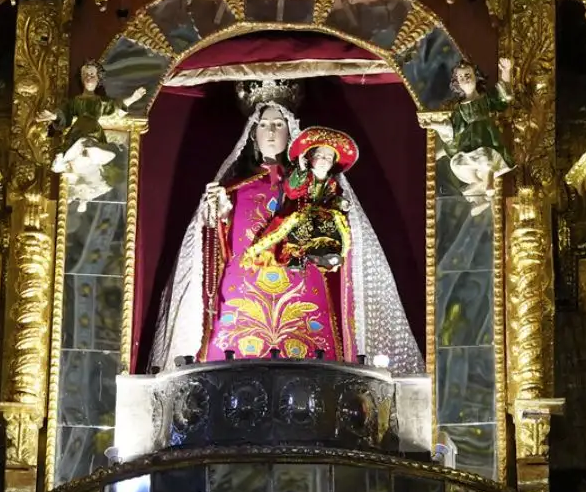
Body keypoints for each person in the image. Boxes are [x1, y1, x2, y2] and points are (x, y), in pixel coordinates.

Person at [147, 82, 422, 371]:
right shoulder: (234, 189)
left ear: (290, 131)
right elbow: (217, 250)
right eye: (263, 124)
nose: (270, 131)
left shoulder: (309, 185)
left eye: (278, 124)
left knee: (314, 364)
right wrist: (218, 215)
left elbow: (339, 234)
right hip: (244, 296)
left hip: (303, 290)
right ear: (252, 134)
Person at [248, 127, 359, 272]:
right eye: (320, 155)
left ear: (333, 163)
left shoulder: (331, 182)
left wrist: (340, 203)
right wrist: (300, 171)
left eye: (328, 158)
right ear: (310, 157)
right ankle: (294, 257)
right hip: (301, 212)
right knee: (300, 229)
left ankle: (324, 253)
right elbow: (292, 191)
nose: (323, 160)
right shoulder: (304, 175)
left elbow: (332, 198)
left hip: (321, 216)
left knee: (332, 225)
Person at [44, 61, 145, 210]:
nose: (88, 78)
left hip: (93, 130)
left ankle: (76, 159)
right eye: (85, 74)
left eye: (91, 74)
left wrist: (132, 98)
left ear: (98, 79)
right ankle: (65, 161)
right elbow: (64, 112)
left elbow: (116, 108)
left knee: (87, 143)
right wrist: (52, 116)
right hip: (77, 130)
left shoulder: (101, 102)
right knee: (74, 146)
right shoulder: (75, 101)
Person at [439, 60, 513, 213]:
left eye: (468, 75)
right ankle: (481, 192)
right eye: (461, 77)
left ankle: (487, 186)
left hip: (486, 134)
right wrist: (435, 126)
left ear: (476, 76)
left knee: (486, 157)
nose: (465, 79)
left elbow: (503, 98)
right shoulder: (459, 109)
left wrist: (507, 71)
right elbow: (453, 129)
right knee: (462, 163)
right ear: (457, 83)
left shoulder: (485, 99)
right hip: (470, 142)